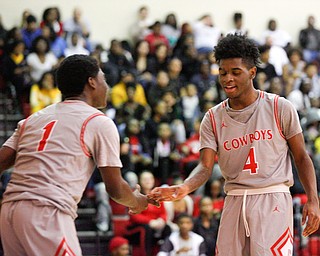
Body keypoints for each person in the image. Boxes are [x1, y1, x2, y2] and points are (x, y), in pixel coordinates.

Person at [148, 34, 320, 255]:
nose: (227, 78)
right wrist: (184, 187)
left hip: (272, 198)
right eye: (223, 73)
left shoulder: (280, 107)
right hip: (234, 200)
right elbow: (205, 166)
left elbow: (301, 157)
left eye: (235, 72)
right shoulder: (212, 118)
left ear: (252, 73)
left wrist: (313, 201)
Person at [0, 54, 154, 255]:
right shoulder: (98, 122)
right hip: (46, 211)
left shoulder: (33, 119)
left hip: (10, 211)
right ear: (91, 82)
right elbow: (115, 189)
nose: (106, 86)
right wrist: (137, 201)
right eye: (103, 79)